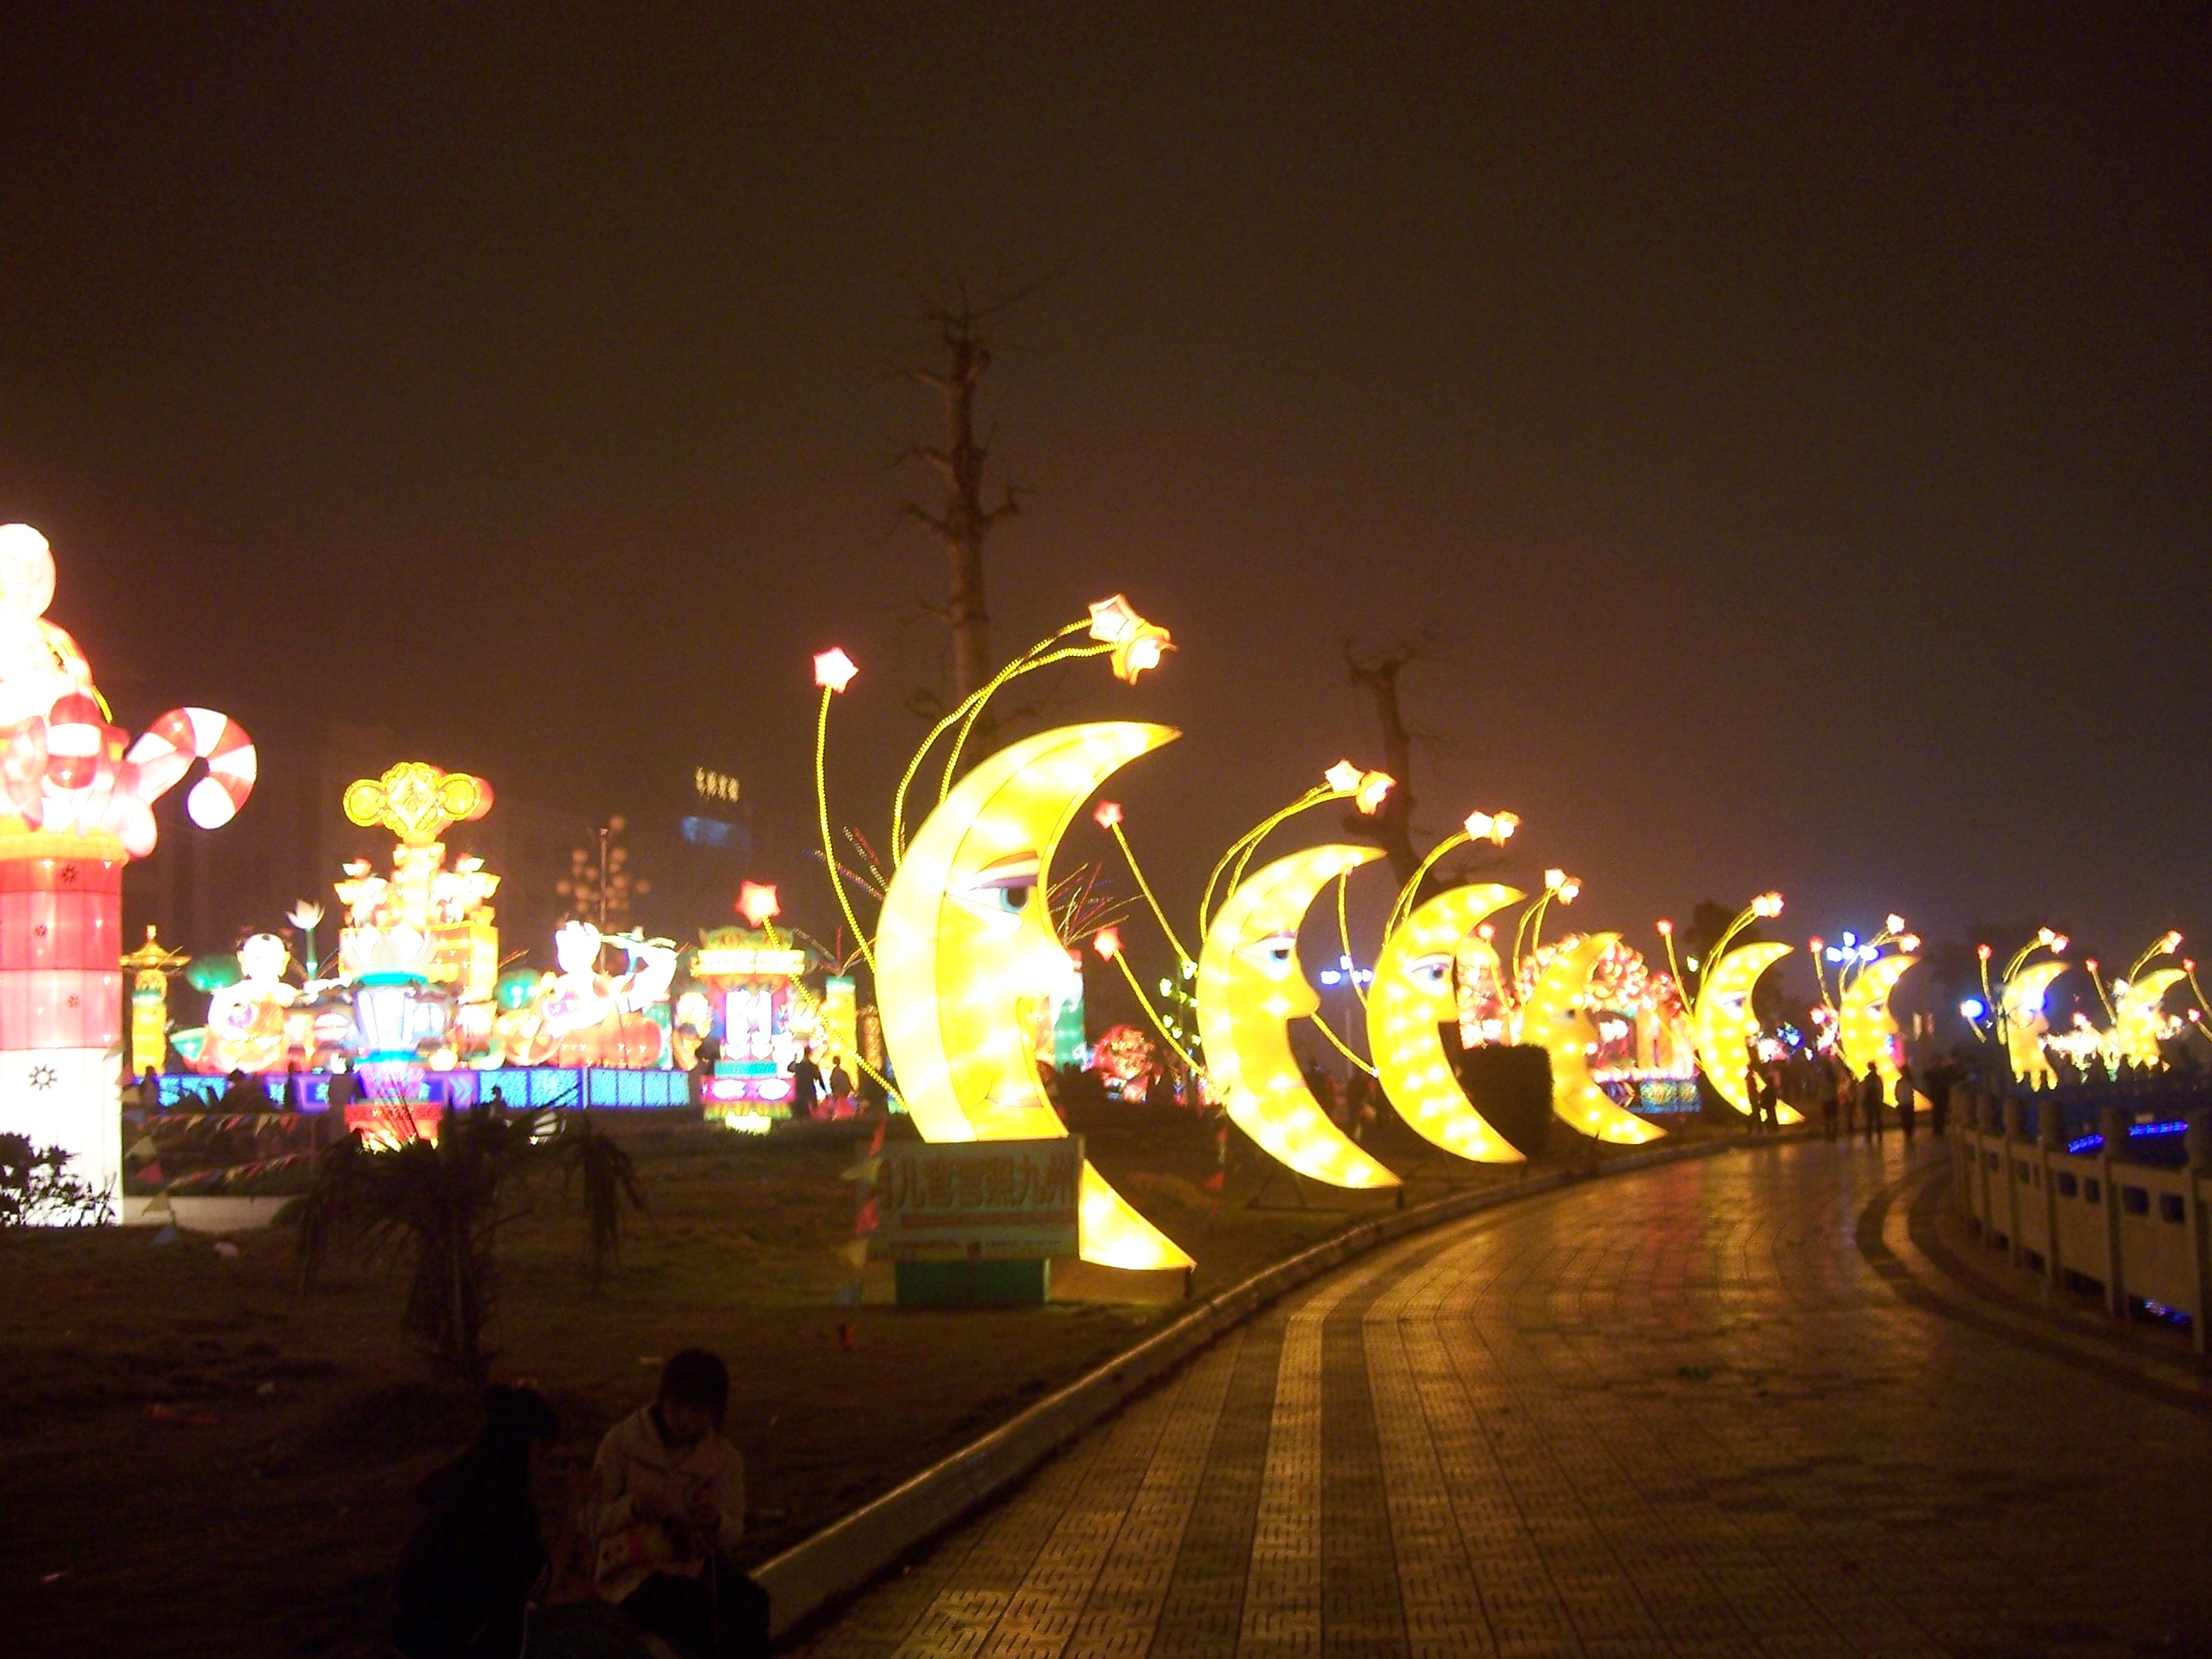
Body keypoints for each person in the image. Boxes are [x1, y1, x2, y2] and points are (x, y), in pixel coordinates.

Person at [591, 1350, 769, 1659]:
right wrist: (632, 1509)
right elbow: (590, 1519)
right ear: (663, 1399)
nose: (684, 1418)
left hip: (692, 1564)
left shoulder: (723, 1459)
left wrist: (715, 1521)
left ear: (714, 1412)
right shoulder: (623, 1444)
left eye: (697, 1410)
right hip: (629, 1571)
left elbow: (733, 1531)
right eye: (676, 1405)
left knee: (751, 1603)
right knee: (694, 1610)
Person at [393, 1385, 562, 1659]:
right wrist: (576, 1501)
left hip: (407, 1632)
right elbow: (540, 1583)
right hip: (446, 1643)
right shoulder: (503, 1505)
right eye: (544, 1453)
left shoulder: (465, 1480)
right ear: (532, 1446)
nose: (541, 1466)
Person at [787, 1050, 823, 1121]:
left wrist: (794, 1060)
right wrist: (825, 1090)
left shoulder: (799, 1066)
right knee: (813, 1107)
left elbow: (789, 1068)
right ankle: (813, 1120)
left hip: (800, 1090)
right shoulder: (812, 1066)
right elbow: (819, 1078)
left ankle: (799, 1120)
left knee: (799, 1109)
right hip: (809, 1089)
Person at [1858, 1066, 1884, 1140]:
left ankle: (1869, 1135)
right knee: (1877, 1118)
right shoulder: (1877, 1078)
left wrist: (1863, 1099)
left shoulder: (1867, 1078)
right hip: (1875, 1100)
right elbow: (1880, 1089)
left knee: (1870, 1119)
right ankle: (1879, 1135)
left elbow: (1864, 1089)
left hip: (1870, 1100)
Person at [1894, 1065, 1917, 1141]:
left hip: (1906, 1102)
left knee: (1908, 1119)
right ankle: (1908, 1133)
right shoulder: (1907, 1081)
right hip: (1905, 1102)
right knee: (1907, 1118)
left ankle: (1909, 1133)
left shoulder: (1901, 1082)